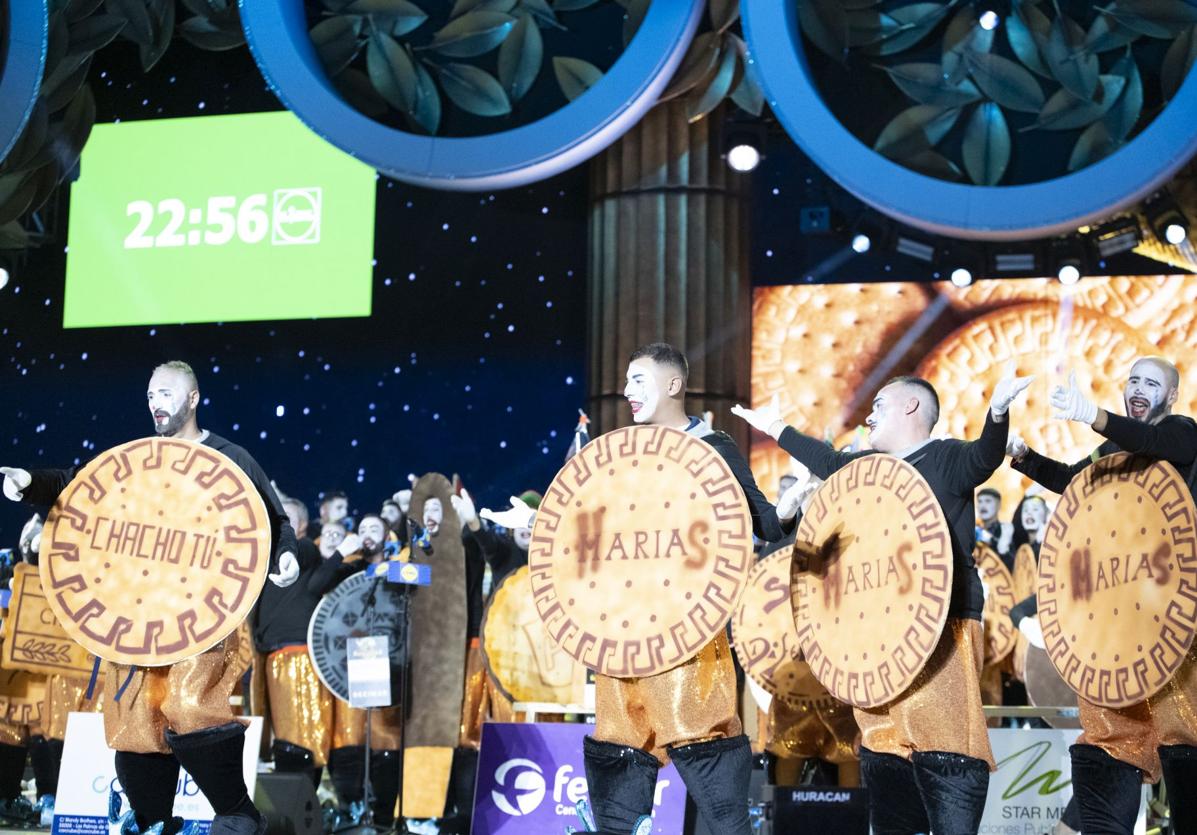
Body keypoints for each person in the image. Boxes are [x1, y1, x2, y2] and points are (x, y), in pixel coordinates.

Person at [0, 360, 299, 835]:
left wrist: (285, 556)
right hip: (137, 614)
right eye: (150, 396)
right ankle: (154, 821)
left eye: (165, 393)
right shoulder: (139, 460)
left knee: (189, 701)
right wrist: (30, 482)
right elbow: (82, 488)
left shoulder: (229, 458)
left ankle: (239, 814)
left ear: (194, 397)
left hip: (200, 615)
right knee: (136, 720)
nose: (155, 403)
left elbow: (274, 520)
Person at [733, 364, 1032, 835]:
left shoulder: (947, 458)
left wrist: (997, 412)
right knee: (883, 751)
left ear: (911, 406)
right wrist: (775, 427)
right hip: (876, 633)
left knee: (946, 751)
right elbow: (829, 461)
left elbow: (985, 456)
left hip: (943, 627)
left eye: (878, 406)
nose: (868, 416)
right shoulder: (868, 471)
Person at [577, 343, 805, 835]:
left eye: (638, 379)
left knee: (714, 780)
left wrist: (787, 510)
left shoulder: (712, 447)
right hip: (625, 633)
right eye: (626, 380)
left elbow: (765, 522)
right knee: (619, 765)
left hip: (689, 635)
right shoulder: (624, 453)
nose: (626, 390)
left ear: (673, 385)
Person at [1008, 357, 1197, 834]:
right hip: (1121, 620)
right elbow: (1074, 481)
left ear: (1170, 396)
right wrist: (1024, 457)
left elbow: (1155, 442)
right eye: (1133, 380)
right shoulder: (1113, 447)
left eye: (1151, 383)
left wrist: (1092, 415)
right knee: (1113, 741)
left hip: (1178, 619)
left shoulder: (1181, 431)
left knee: (1183, 743)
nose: (1139, 388)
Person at [253, 497, 359, 786]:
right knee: (291, 733)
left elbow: (310, 570)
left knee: (302, 734)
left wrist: (338, 553)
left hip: (298, 656)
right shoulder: (265, 557)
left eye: (283, 517)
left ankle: (303, 800)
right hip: (277, 657)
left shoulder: (304, 548)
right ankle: (300, 799)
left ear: (299, 524)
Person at [975, 487, 1013, 564]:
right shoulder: (973, 531)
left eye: (988, 501)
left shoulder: (1006, 531)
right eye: (979, 501)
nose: (982, 506)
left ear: (999, 505)